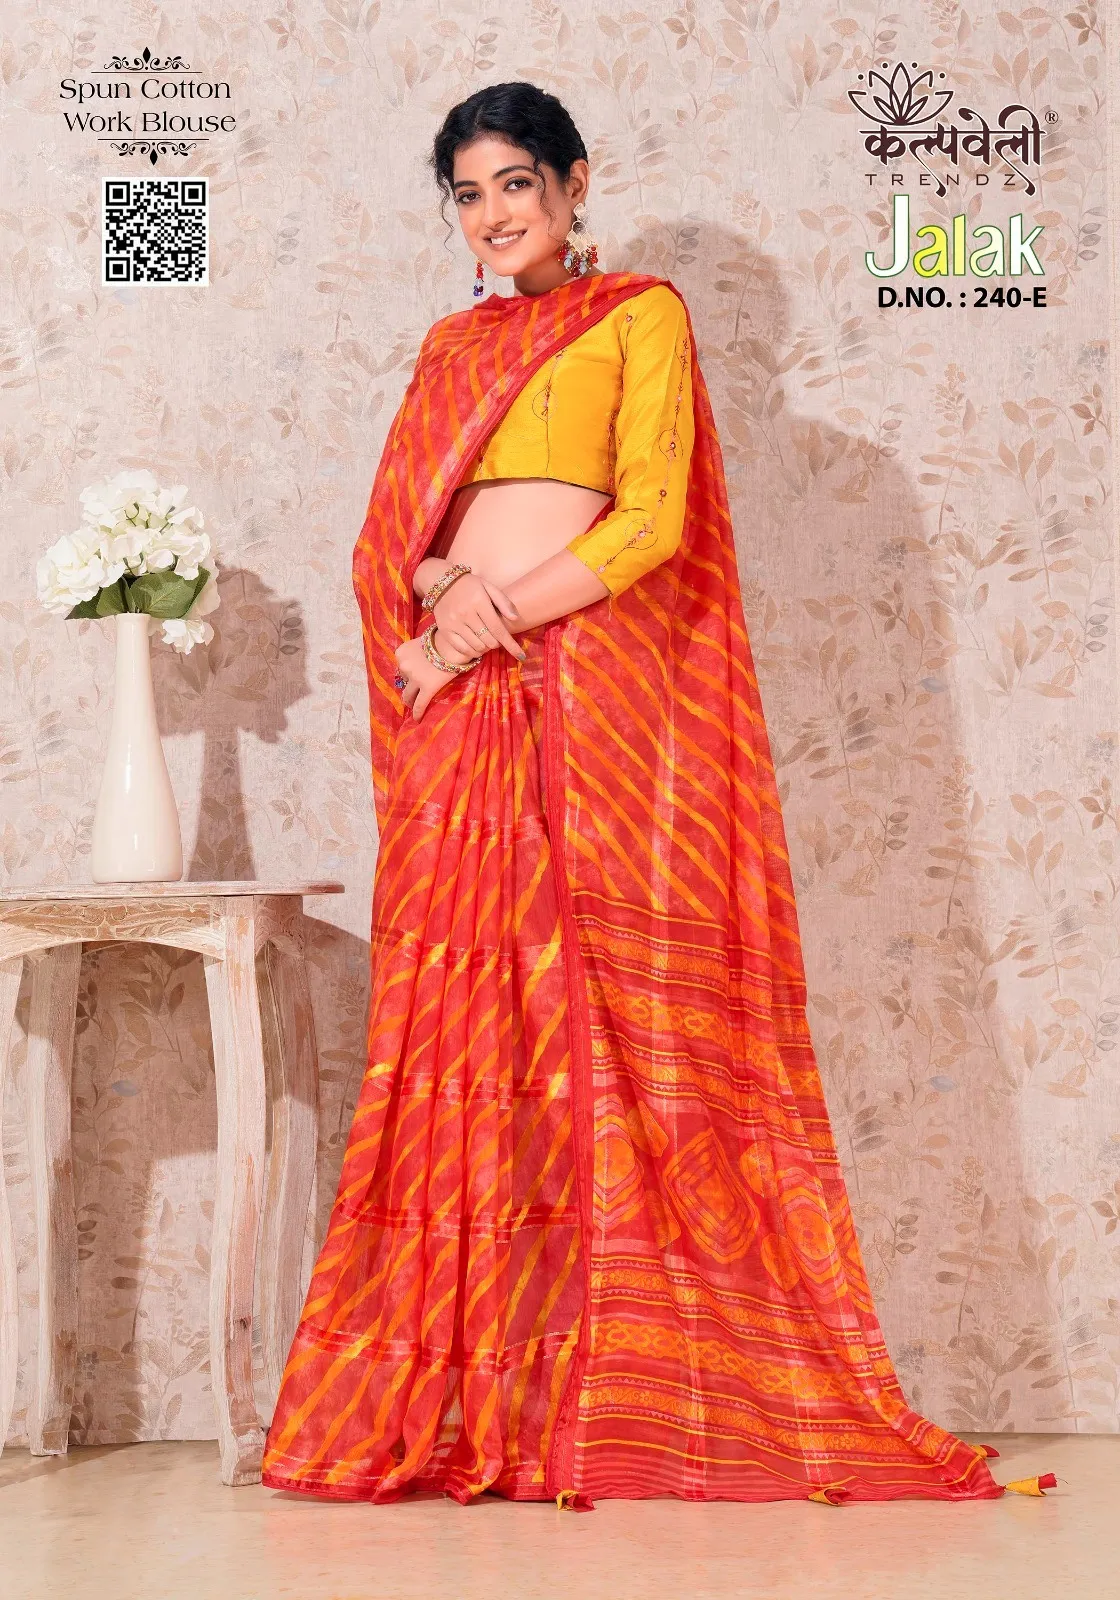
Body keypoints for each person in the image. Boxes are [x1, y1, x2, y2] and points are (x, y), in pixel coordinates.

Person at [261, 80, 1050, 1509]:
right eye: (468, 194)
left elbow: (651, 520)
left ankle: (614, 1398)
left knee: (603, 1027)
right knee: (463, 1029)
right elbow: (394, 536)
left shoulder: (639, 317)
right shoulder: (451, 347)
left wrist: (488, 619)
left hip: (584, 706)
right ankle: (484, 1397)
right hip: (462, 714)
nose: (493, 215)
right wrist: (444, 591)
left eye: (516, 184)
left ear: (574, 185)